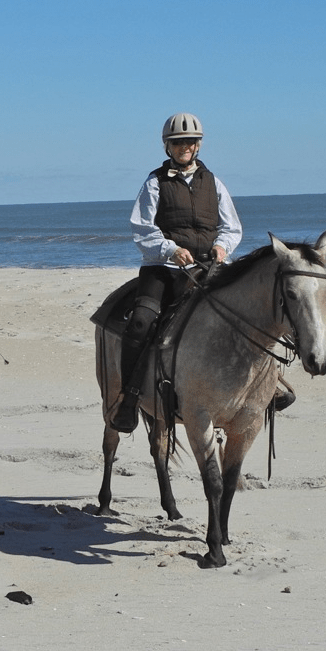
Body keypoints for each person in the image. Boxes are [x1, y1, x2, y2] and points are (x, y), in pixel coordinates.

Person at [110, 112, 247, 433]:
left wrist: (223, 247)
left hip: (208, 268)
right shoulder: (155, 182)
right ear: (167, 146)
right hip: (163, 269)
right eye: (177, 143)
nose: (184, 147)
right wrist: (171, 249)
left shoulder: (214, 183)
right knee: (141, 322)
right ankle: (128, 399)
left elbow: (232, 227)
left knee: (244, 317)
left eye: (189, 142)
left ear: (198, 145)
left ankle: (269, 386)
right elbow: (142, 229)